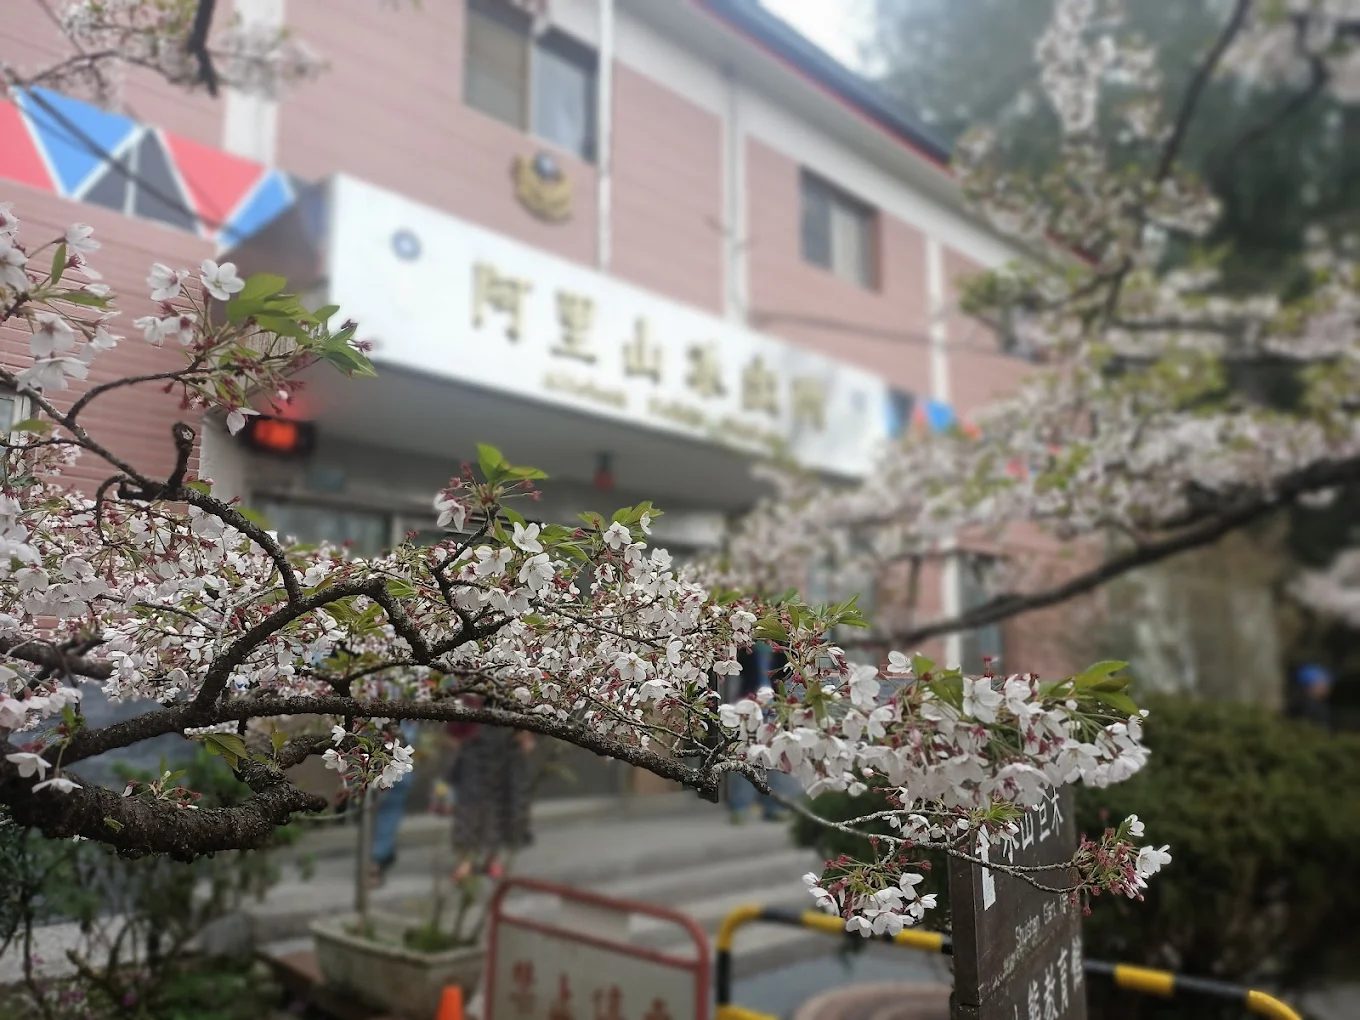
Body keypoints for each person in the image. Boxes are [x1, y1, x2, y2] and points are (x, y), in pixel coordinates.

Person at [446, 711, 535, 880]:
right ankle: (466, 859)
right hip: (473, 739)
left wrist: (526, 732)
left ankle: (492, 857)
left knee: (500, 800)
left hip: (505, 740)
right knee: (469, 801)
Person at [727, 641, 792, 824]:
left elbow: (788, 672)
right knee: (745, 755)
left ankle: (772, 807)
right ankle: (739, 807)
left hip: (775, 705)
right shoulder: (746, 646)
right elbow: (737, 671)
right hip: (750, 703)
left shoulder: (783, 647)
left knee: (774, 758)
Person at [368, 718, 420, 885]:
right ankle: (381, 856)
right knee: (386, 814)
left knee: (387, 812)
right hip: (385, 769)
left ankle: (379, 858)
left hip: (394, 772)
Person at [1291, 663, 1334, 729]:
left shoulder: (1298, 704)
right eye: (1323, 683)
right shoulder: (1309, 707)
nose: (1327, 687)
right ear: (1310, 686)